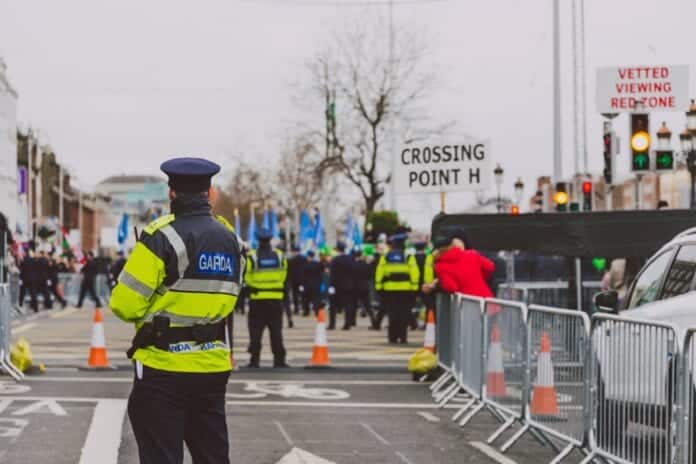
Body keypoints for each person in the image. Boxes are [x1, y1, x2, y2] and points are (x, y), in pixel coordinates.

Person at [110, 157, 243, 464]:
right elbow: (232, 296)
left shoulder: (161, 236)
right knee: (212, 456)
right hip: (212, 364)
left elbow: (123, 304)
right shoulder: (232, 240)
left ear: (171, 193)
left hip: (163, 366)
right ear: (208, 193)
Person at [244, 227, 289, 368]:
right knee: (276, 331)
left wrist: (256, 286)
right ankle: (279, 360)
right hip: (276, 299)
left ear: (257, 239)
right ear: (270, 239)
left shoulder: (251, 256)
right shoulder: (280, 256)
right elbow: (284, 275)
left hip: (257, 299)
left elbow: (246, 277)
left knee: (255, 331)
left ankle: (255, 360)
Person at [375, 231, 420, 344]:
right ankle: (403, 338)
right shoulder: (408, 256)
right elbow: (415, 273)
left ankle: (392, 337)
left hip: (389, 290)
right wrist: (414, 289)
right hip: (405, 290)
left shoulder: (386, 256)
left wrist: (379, 288)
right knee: (403, 314)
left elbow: (379, 273)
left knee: (392, 315)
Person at [425, 228, 494, 299]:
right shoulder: (472, 254)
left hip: (467, 303)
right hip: (487, 301)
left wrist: (439, 282)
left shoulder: (440, 266)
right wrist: (479, 277)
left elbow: (451, 287)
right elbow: (490, 267)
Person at [330, 241, 356, 330]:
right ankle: (347, 324)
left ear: (337, 249)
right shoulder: (350, 259)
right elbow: (354, 271)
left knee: (333, 306)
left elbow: (333, 274)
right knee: (348, 305)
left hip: (337, 286)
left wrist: (331, 286)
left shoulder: (335, 260)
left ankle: (332, 324)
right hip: (348, 285)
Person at [352, 247, 373, 326]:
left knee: (353, 305)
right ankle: (373, 320)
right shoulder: (366, 265)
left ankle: (352, 322)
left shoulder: (353, 265)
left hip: (355, 287)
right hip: (365, 287)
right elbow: (369, 275)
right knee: (368, 306)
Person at [302, 250, 322, 316]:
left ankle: (306, 312)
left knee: (306, 299)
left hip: (307, 284)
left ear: (308, 256)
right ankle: (316, 311)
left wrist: (302, 284)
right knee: (316, 299)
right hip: (316, 284)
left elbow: (303, 275)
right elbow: (320, 274)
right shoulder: (318, 264)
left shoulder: (305, 264)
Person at [287, 245, 306, 315]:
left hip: (294, 280)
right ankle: (304, 308)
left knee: (295, 295)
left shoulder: (290, 260)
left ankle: (296, 309)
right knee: (303, 294)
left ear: (293, 252)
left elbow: (288, 271)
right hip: (302, 280)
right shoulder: (304, 259)